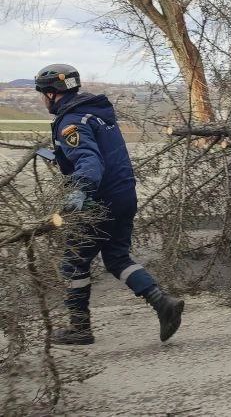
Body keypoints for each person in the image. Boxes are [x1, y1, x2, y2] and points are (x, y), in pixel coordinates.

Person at [35, 64, 184, 345]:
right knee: (117, 258)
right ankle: (163, 303)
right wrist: (62, 160)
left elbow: (90, 160)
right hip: (124, 195)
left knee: (73, 263)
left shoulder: (72, 123)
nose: (42, 100)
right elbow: (95, 155)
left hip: (99, 202)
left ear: (52, 94)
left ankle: (80, 328)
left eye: (42, 94)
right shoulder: (96, 114)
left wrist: (80, 189)